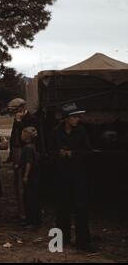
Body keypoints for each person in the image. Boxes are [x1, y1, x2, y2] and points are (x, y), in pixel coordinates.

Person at [50, 103, 95, 252]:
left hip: (78, 175)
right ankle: (62, 240)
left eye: (78, 116)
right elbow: (49, 152)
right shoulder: (56, 132)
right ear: (66, 119)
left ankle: (83, 242)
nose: (78, 119)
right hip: (62, 175)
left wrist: (72, 154)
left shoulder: (81, 131)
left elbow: (88, 151)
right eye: (74, 117)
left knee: (81, 208)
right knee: (62, 208)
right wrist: (59, 153)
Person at [7, 98, 39, 222]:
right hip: (16, 150)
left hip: (24, 151)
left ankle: (25, 213)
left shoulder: (31, 119)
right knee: (17, 183)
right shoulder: (17, 118)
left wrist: (19, 122)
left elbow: (27, 135)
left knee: (24, 183)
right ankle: (21, 210)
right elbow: (14, 135)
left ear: (21, 108)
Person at [20, 126, 42, 228]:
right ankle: (33, 220)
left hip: (31, 176)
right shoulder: (32, 146)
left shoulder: (27, 148)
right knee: (32, 198)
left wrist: (25, 175)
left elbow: (29, 162)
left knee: (30, 198)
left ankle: (32, 221)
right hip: (34, 176)